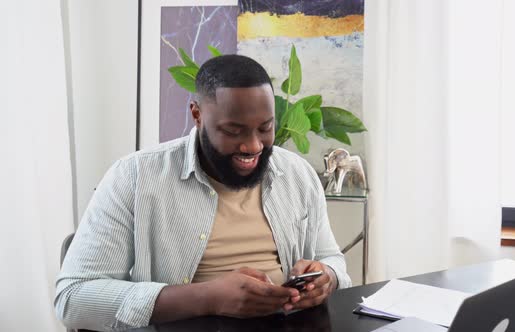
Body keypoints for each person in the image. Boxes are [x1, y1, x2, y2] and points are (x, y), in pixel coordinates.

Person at [55, 54, 351, 331]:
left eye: (265, 128)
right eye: (233, 131)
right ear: (197, 114)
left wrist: (326, 277)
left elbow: (332, 260)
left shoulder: (297, 174)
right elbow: (73, 297)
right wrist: (206, 297)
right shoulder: (134, 177)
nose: (253, 146)